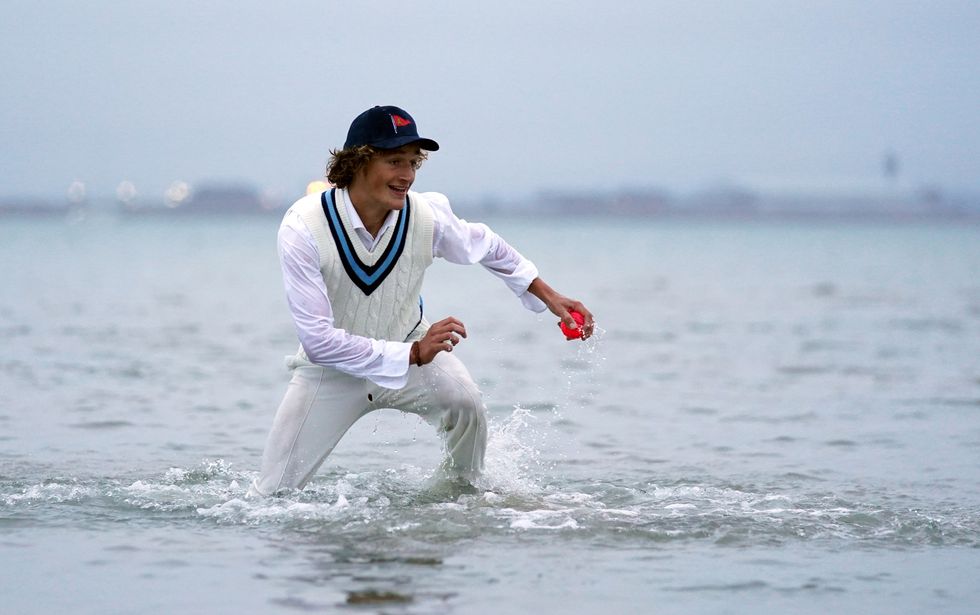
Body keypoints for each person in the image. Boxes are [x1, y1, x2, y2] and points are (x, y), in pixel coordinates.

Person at [249, 105, 594, 497]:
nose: (408, 175)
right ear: (357, 161)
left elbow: (487, 245)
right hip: (331, 371)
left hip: (412, 344)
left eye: (414, 162)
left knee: (465, 404)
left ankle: (461, 496)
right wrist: (412, 354)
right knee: (269, 499)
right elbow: (317, 341)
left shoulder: (427, 215)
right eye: (394, 160)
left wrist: (549, 295)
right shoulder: (303, 226)